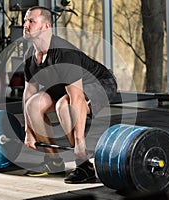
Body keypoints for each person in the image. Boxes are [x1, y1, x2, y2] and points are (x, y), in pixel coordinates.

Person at [21, 6, 117, 183]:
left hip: (100, 83)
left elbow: (76, 98)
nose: (25, 24)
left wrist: (79, 144)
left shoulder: (64, 53)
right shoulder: (30, 56)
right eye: (25, 20)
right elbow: (29, 92)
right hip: (62, 86)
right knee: (33, 105)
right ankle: (53, 161)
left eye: (31, 21)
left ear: (46, 26)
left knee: (63, 105)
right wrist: (28, 130)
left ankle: (84, 165)